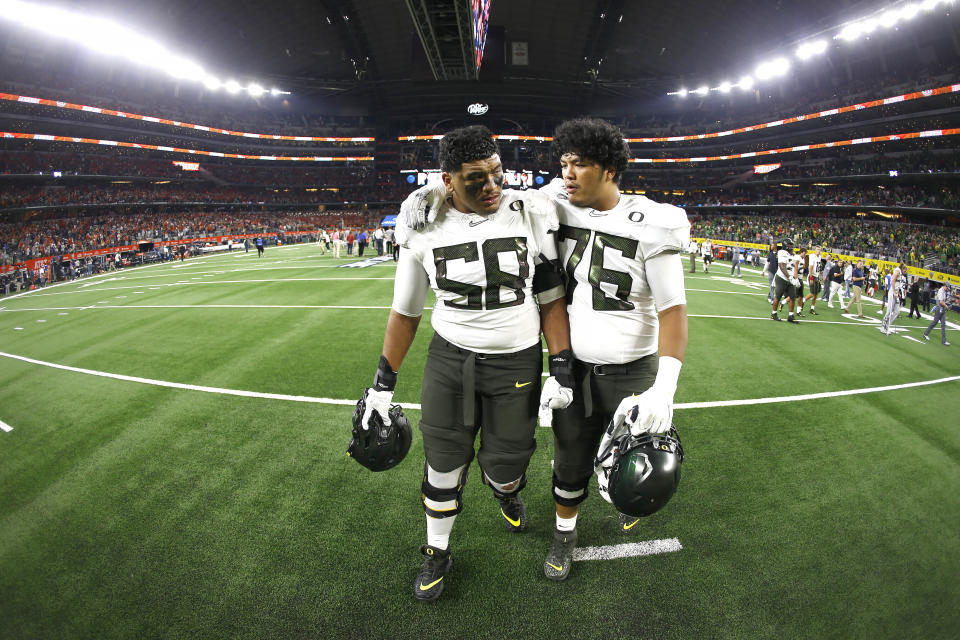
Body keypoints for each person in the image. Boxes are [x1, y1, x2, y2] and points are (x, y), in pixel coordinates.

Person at [360, 125, 572, 602]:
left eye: (497, 173)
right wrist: (382, 382)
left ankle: (504, 489)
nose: (492, 186)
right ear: (448, 180)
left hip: (516, 361)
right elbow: (406, 310)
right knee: (442, 461)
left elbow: (550, 294)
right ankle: (437, 551)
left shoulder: (529, 212)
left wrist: (559, 365)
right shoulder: (420, 220)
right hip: (449, 359)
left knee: (506, 465)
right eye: (477, 178)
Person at [537, 118, 689, 580]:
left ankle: (626, 500)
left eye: (579, 164)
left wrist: (664, 389)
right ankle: (565, 535)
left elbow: (673, 310)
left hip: (633, 371)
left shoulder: (653, 221)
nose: (567, 174)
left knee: (639, 462)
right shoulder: (553, 204)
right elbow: (490, 200)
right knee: (569, 461)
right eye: (563, 163)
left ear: (609, 170)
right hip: (576, 371)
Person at [771, 239, 800, 323]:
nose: (791, 246)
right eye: (790, 245)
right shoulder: (782, 252)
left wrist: (796, 278)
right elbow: (782, 266)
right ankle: (774, 314)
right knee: (778, 296)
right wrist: (790, 277)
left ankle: (791, 316)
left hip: (790, 278)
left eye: (792, 244)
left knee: (793, 297)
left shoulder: (792, 254)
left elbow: (794, 268)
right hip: (782, 277)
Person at [880, 262, 906, 335]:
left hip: (896, 293)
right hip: (892, 292)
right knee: (889, 311)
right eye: (905, 271)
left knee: (897, 311)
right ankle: (883, 327)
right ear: (902, 269)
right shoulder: (897, 271)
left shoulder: (900, 273)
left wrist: (898, 293)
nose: (905, 272)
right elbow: (892, 281)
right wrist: (894, 291)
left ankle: (887, 326)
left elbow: (898, 284)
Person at [803, 246, 822, 315]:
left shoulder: (819, 257)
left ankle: (812, 308)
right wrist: (811, 278)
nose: (819, 251)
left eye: (820, 250)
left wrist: (819, 277)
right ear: (815, 250)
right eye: (817, 249)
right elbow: (810, 268)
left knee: (816, 294)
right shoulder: (812, 256)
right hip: (812, 276)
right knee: (812, 293)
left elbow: (818, 268)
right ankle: (803, 301)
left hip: (816, 276)